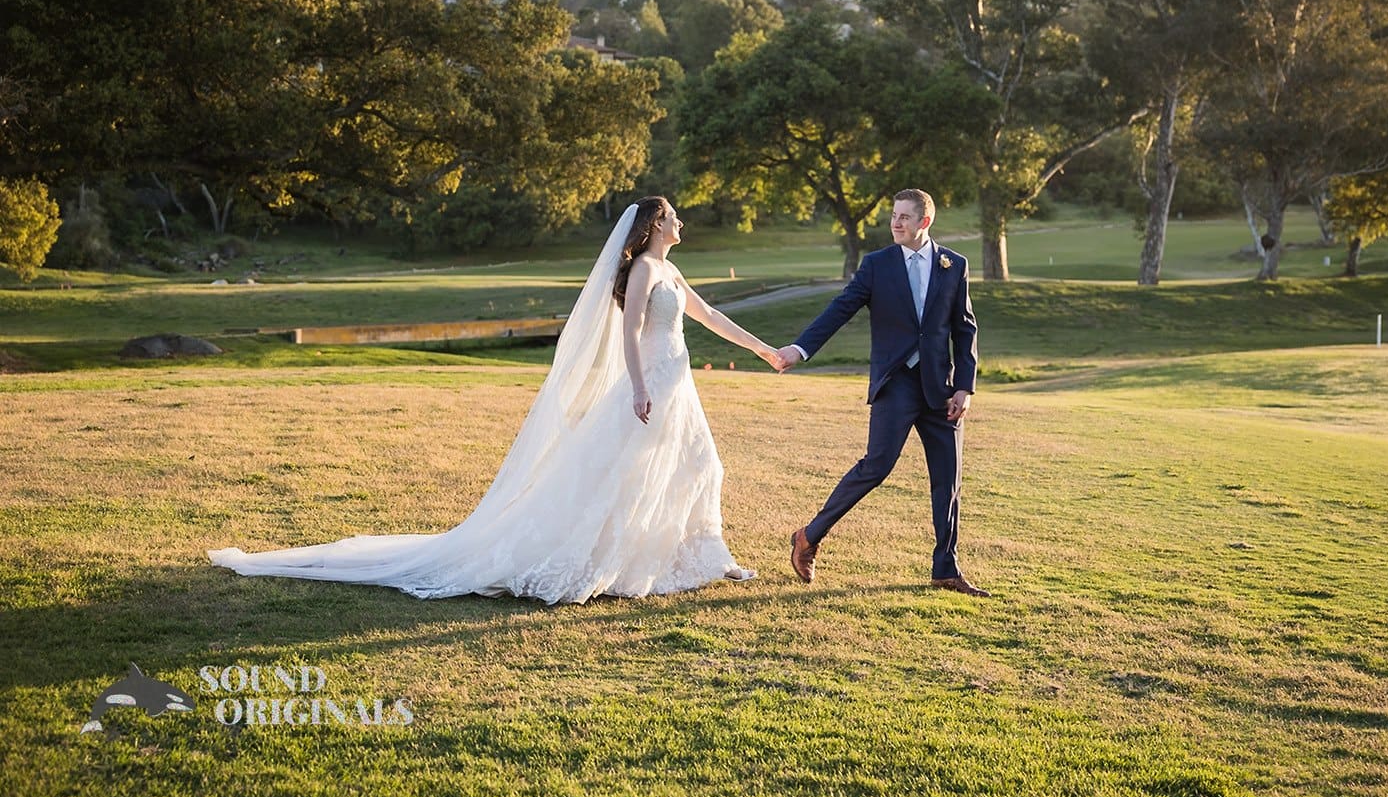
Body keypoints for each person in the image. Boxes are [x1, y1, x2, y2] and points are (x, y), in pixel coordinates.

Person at [210, 198, 782, 604]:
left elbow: (710, 316)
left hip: (678, 387)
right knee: (632, 477)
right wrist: (637, 387)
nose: (681, 221)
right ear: (656, 224)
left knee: (697, 466)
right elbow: (631, 333)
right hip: (652, 385)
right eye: (674, 215)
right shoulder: (644, 272)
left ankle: (701, 555)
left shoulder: (672, 271)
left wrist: (763, 350)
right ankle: (626, 559)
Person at [776, 188, 987, 597]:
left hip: (941, 389)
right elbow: (840, 309)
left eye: (905, 217)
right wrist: (799, 349)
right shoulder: (877, 265)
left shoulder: (954, 265)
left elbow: (965, 329)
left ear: (925, 222)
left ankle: (945, 569)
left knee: (948, 479)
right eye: (894, 215)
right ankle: (808, 536)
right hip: (896, 383)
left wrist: (965, 386)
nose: (895, 223)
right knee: (876, 466)